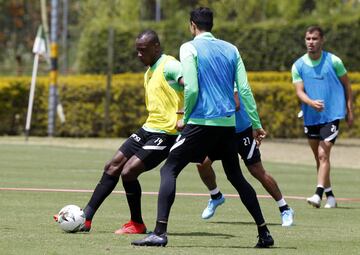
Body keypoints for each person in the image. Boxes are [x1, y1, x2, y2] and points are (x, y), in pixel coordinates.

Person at [132, 7, 274, 248]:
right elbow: (245, 90)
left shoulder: (189, 48)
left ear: (192, 25)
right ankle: (264, 232)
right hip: (227, 125)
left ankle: (159, 232)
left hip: (201, 123)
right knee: (237, 177)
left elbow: (193, 88)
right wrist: (256, 124)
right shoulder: (232, 49)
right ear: (212, 25)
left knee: (169, 170)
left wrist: (186, 116)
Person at [53, 30, 185, 234]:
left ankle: (137, 224)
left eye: (143, 50)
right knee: (112, 165)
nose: (139, 55)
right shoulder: (150, 71)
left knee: (129, 171)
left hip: (167, 133)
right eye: (137, 51)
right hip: (149, 128)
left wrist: (186, 114)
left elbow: (193, 84)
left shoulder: (170, 65)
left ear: (156, 47)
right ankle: (86, 218)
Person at [197, 92, 295, 227]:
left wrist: (256, 125)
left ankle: (285, 208)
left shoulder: (231, 74)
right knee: (202, 163)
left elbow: (236, 104)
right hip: (221, 131)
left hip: (242, 131)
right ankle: (216, 196)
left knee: (257, 171)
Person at [292, 26, 353, 208]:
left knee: (322, 154)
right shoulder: (298, 65)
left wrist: (350, 110)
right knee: (319, 158)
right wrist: (311, 103)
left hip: (332, 115)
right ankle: (331, 196)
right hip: (311, 117)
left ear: (322, 40)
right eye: (308, 39)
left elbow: (347, 86)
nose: (311, 42)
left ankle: (318, 195)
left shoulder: (334, 61)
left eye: (315, 39)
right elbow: (299, 91)